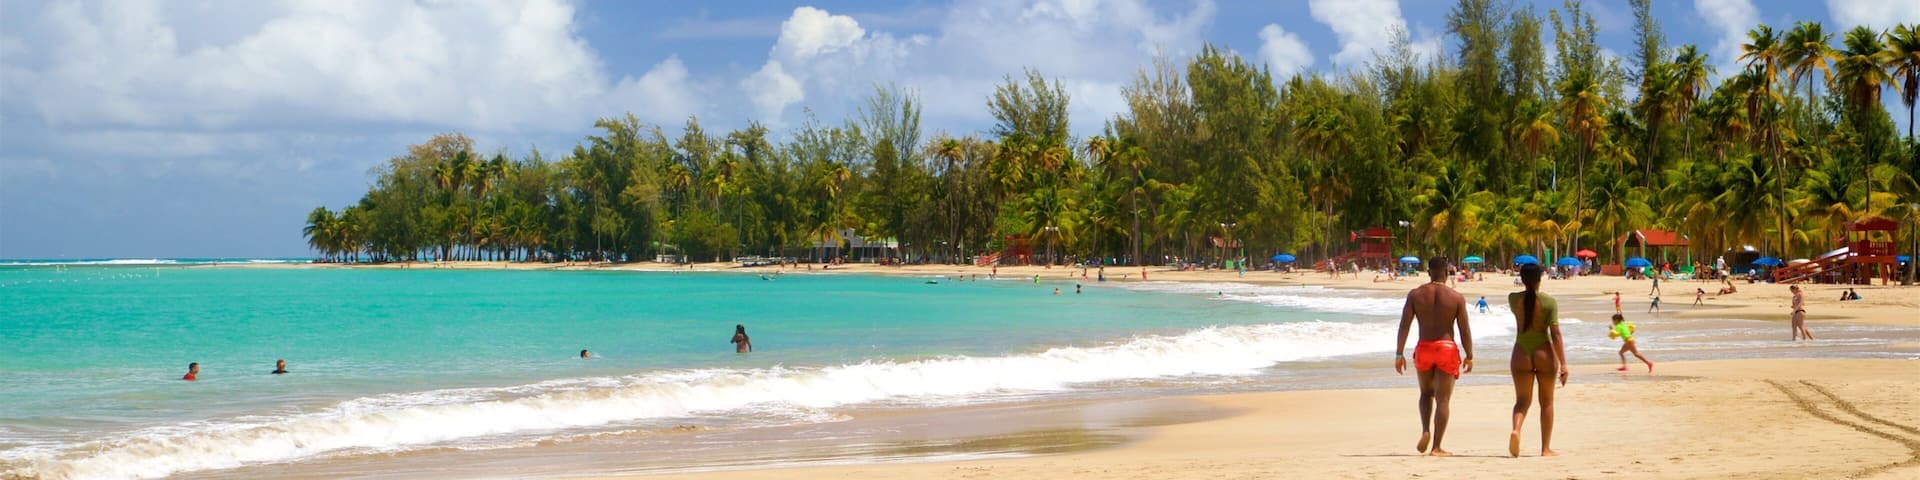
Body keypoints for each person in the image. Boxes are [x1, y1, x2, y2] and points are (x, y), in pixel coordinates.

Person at [1393, 256, 1474, 457]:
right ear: (1447, 273)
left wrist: (1399, 353)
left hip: (1424, 348)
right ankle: (1436, 447)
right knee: (1443, 400)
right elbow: (1465, 331)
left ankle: (1425, 430)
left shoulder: (1415, 295)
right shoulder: (1456, 297)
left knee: (1426, 394)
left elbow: (1404, 325)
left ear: (1429, 272)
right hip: (1446, 348)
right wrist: (1469, 355)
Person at [1507, 263, 1567, 458]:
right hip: (1544, 353)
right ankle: (1545, 448)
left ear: (1522, 279)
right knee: (1547, 402)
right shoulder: (1549, 302)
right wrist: (1564, 364)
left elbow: (1525, 302)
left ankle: (1516, 429)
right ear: (1540, 278)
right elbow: (1555, 334)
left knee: (1522, 401)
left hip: (1521, 352)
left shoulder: (1513, 299)